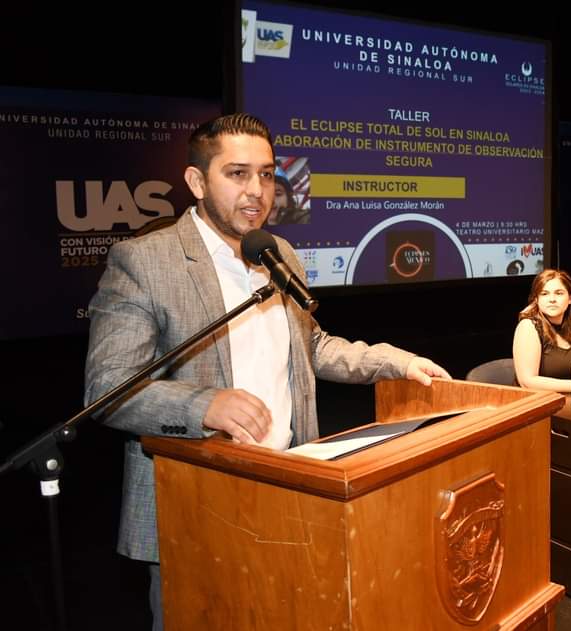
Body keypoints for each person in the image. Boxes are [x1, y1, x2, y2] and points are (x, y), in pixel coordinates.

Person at [83, 113, 449, 630]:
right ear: (196, 181)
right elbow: (108, 388)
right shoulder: (145, 261)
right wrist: (203, 404)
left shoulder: (278, 254)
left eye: (267, 174)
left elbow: (312, 347)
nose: (257, 191)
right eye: (237, 174)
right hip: (197, 504)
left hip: (291, 484)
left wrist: (395, 360)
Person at [512, 269, 571, 391]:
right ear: (536, 300)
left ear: (570, 298)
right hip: (539, 402)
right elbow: (527, 381)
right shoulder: (528, 326)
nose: (552, 299)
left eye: (559, 293)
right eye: (544, 294)